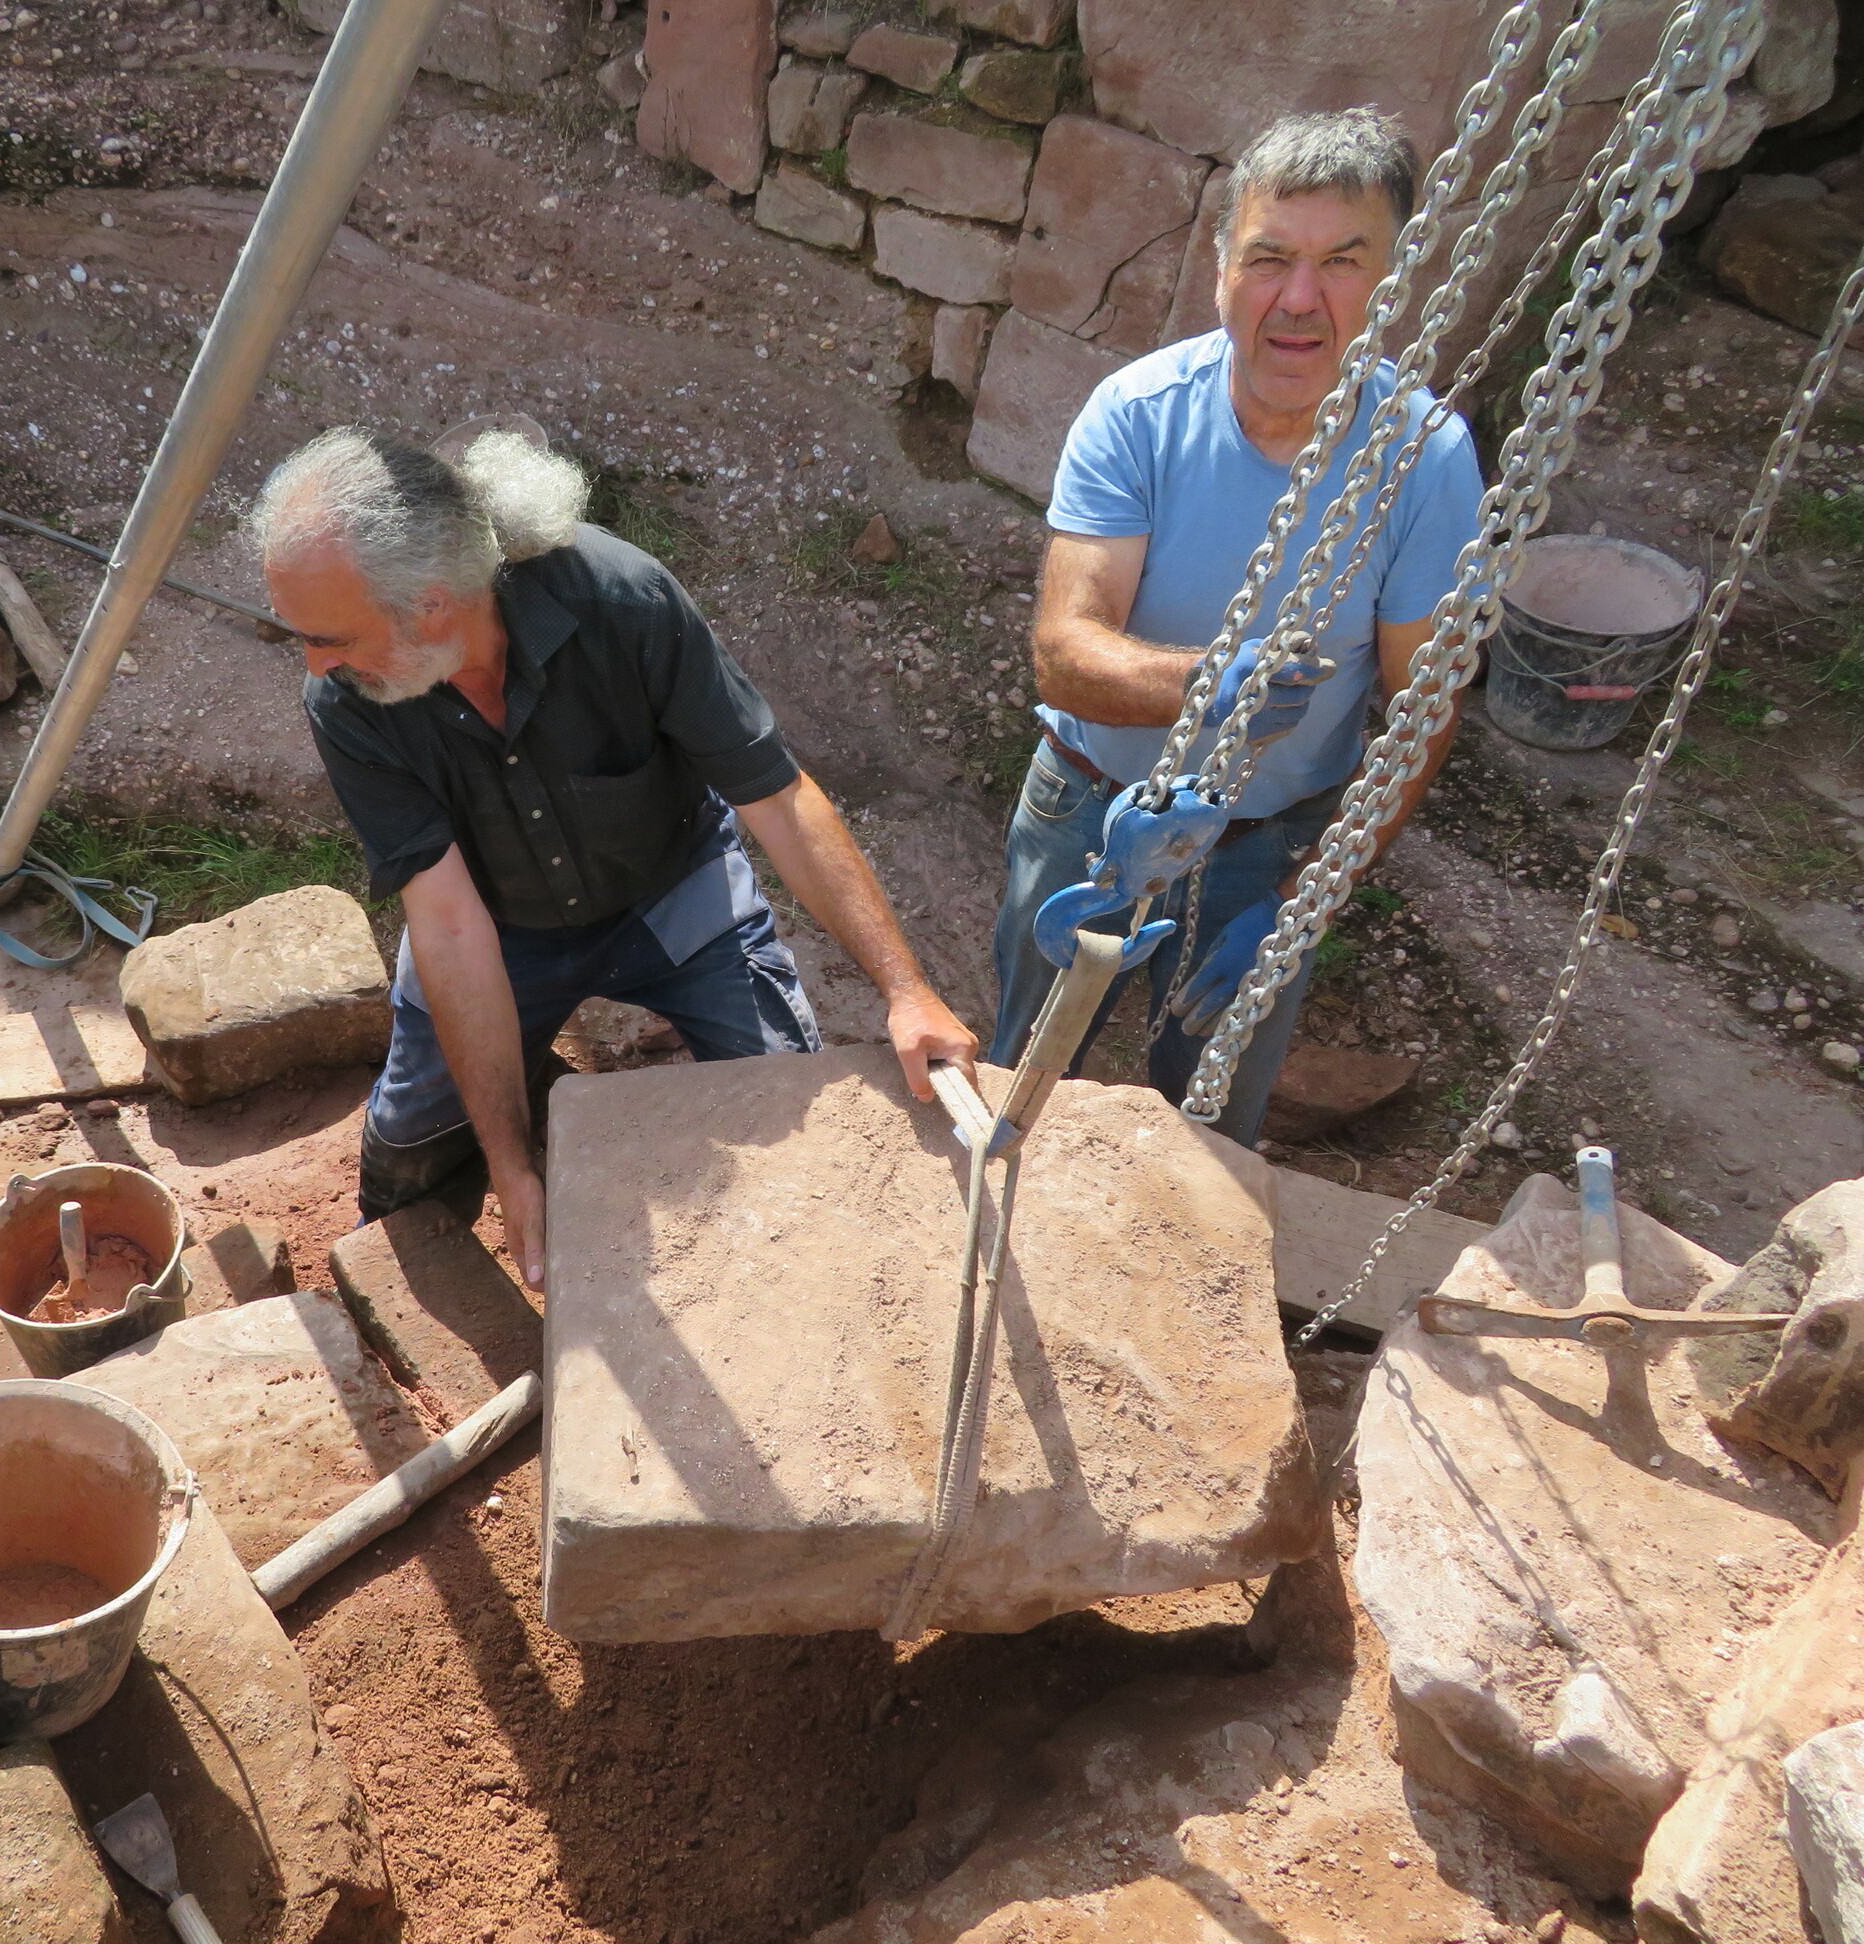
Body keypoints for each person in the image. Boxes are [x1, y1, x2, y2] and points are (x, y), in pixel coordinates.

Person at [254, 426, 979, 1289]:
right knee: (414, 1150)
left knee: (789, 1108)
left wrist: (907, 991)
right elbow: (448, 924)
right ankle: (425, 1237)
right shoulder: (348, 699)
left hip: (669, 888)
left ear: (433, 605)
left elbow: (779, 800)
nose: (315, 662)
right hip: (495, 927)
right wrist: (513, 1166)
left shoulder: (622, 599)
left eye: (330, 636)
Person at [991, 105, 1485, 1145]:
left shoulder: (1426, 459)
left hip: (1267, 845)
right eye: (1269, 259)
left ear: (1392, 282)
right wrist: (1211, 685)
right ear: (1221, 271)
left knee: (1208, 1134)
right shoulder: (1138, 414)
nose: (1299, 300)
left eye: (1343, 262)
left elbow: (1423, 710)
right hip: (1092, 811)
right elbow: (1064, 656)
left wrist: (1304, 898)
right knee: (1023, 1085)